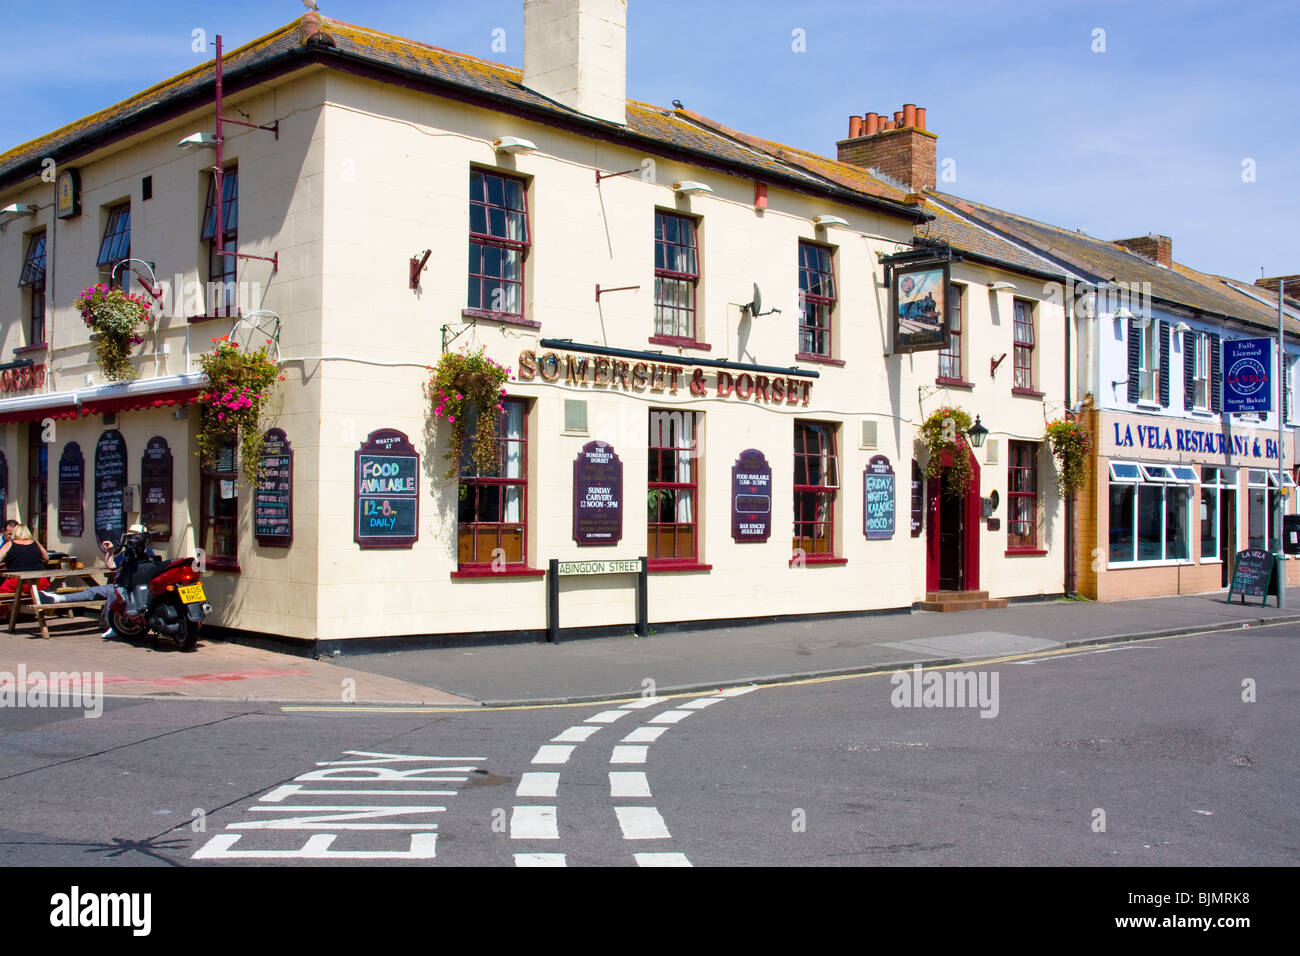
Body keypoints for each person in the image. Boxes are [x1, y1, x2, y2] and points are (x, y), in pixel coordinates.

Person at [38, 523, 157, 639]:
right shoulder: (127, 552)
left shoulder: (147, 553)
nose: (131, 540)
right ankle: (58, 598)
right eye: (130, 537)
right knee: (92, 591)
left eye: (134, 537)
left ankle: (114, 627)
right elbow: (112, 565)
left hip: (133, 588)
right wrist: (110, 551)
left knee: (111, 592)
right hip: (122, 584)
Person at [0, 524, 51, 598]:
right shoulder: (35, 543)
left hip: (17, 582)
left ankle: (7, 609)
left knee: (2, 595)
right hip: (40, 581)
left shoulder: (10, 544)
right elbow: (47, 558)